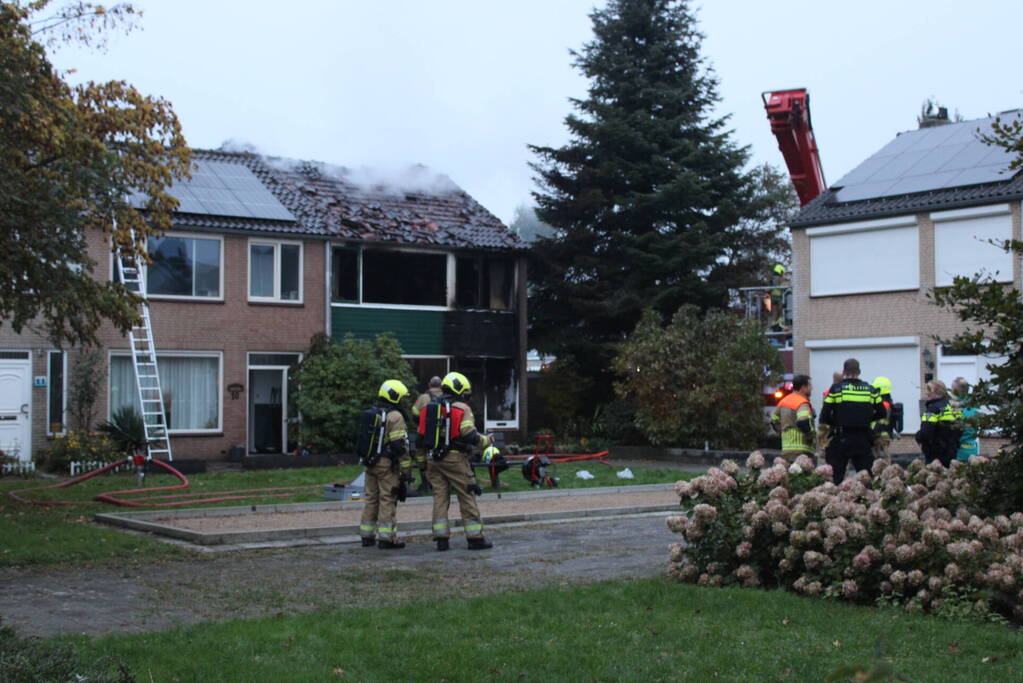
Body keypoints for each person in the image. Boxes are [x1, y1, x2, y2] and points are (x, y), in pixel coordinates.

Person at [426, 371, 494, 551]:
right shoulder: (462, 408)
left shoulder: (432, 406)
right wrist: (486, 440)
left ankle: (441, 539)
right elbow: (469, 434)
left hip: (433, 459)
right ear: (459, 390)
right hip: (455, 459)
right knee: (467, 493)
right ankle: (475, 538)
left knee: (440, 497)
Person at [358, 379, 412, 550]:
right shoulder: (395, 416)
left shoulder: (373, 412)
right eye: (401, 398)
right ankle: (387, 539)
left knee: (371, 499)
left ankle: (367, 536)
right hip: (386, 465)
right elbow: (399, 446)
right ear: (395, 397)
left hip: (370, 463)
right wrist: (406, 467)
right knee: (387, 499)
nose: (403, 401)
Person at [819, 358, 886, 484]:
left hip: (841, 437)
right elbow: (882, 413)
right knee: (866, 479)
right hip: (863, 438)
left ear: (844, 372)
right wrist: (866, 419)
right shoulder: (871, 390)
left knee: (835, 479)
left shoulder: (836, 389)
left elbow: (824, 416)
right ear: (859, 372)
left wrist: (836, 422)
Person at [770, 374, 816, 463]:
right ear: (803, 387)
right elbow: (803, 421)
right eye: (810, 385)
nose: (812, 388)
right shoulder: (802, 403)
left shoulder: (783, 401)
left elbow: (773, 419)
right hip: (801, 450)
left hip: (786, 448)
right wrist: (810, 436)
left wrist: (782, 431)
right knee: (802, 476)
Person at [916, 379, 961, 467]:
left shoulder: (932, 410)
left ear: (935, 392)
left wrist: (918, 436)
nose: (926, 393)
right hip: (952, 451)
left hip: (935, 454)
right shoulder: (954, 407)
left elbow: (925, 433)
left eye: (928, 390)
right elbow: (960, 429)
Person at [951, 377, 979, 462]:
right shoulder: (974, 409)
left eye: (952, 388)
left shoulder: (955, 410)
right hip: (973, 450)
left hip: (958, 453)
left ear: (955, 391)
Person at [870, 376, 895, 462]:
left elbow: (880, 422)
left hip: (879, 437)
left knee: (881, 463)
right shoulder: (888, 401)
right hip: (882, 436)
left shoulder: (883, 404)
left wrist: (870, 432)